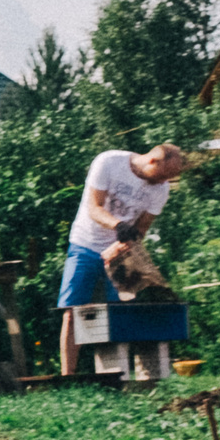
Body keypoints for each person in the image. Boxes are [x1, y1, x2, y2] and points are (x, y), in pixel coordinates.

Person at [58, 142, 186, 375]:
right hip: (85, 244)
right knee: (72, 312)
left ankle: (122, 375)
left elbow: (142, 227)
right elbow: (94, 208)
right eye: (163, 176)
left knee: (121, 312)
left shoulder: (161, 188)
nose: (163, 182)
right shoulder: (109, 162)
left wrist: (120, 247)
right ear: (152, 161)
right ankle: (68, 376)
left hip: (120, 253)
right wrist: (118, 226)